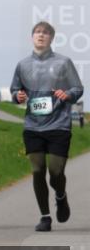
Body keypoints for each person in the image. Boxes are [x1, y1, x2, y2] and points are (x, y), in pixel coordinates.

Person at [10, 21, 84, 231]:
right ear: (32, 37)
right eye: (37, 32)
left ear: (52, 38)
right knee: (37, 170)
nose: (41, 35)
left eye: (45, 33)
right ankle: (45, 217)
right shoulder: (23, 65)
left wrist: (67, 94)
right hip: (33, 126)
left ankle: (60, 195)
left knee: (55, 171)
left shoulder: (63, 62)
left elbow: (78, 88)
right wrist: (17, 96)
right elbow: (15, 90)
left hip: (59, 125)